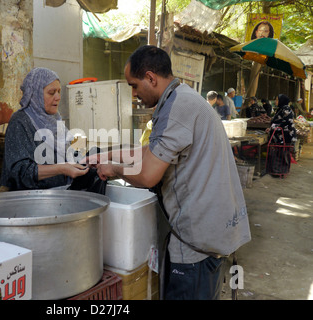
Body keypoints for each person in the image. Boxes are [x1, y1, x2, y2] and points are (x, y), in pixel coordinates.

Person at [83, 45, 251, 300]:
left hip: (197, 244)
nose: (135, 94)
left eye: (134, 85)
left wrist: (113, 170)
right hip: (216, 234)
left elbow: (148, 174)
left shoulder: (176, 107)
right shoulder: (183, 97)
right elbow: (150, 153)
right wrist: (105, 155)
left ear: (151, 78)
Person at [0, 67, 89, 191]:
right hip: (28, 201)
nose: (57, 97)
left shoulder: (54, 120)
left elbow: (70, 151)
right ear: (35, 94)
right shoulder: (20, 122)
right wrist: (62, 168)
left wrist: (89, 160)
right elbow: (19, 172)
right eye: (52, 93)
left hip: (58, 195)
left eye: (59, 91)